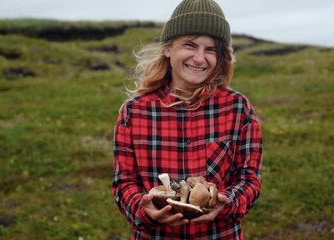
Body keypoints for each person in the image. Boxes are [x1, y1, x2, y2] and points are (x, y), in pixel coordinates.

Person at [112, 0, 263, 239]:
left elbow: (249, 179)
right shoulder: (135, 112)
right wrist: (143, 208)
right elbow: (124, 183)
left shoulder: (237, 108)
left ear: (221, 56)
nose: (199, 58)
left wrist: (228, 202)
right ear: (168, 49)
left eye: (210, 49)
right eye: (190, 45)